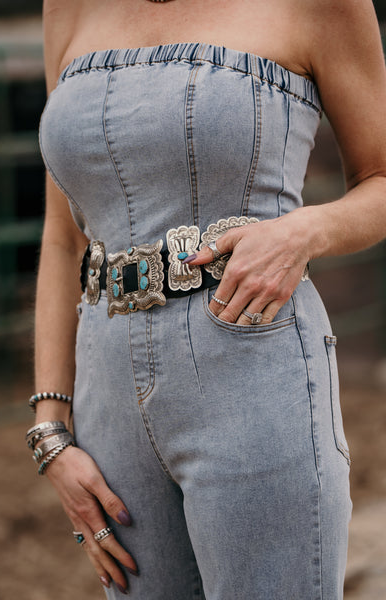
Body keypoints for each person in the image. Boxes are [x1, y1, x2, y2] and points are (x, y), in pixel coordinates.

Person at [28, 0, 386, 598]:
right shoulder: (66, 7)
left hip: (252, 375)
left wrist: (305, 231)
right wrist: (50, 432)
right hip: (106, 405)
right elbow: (64, 236)